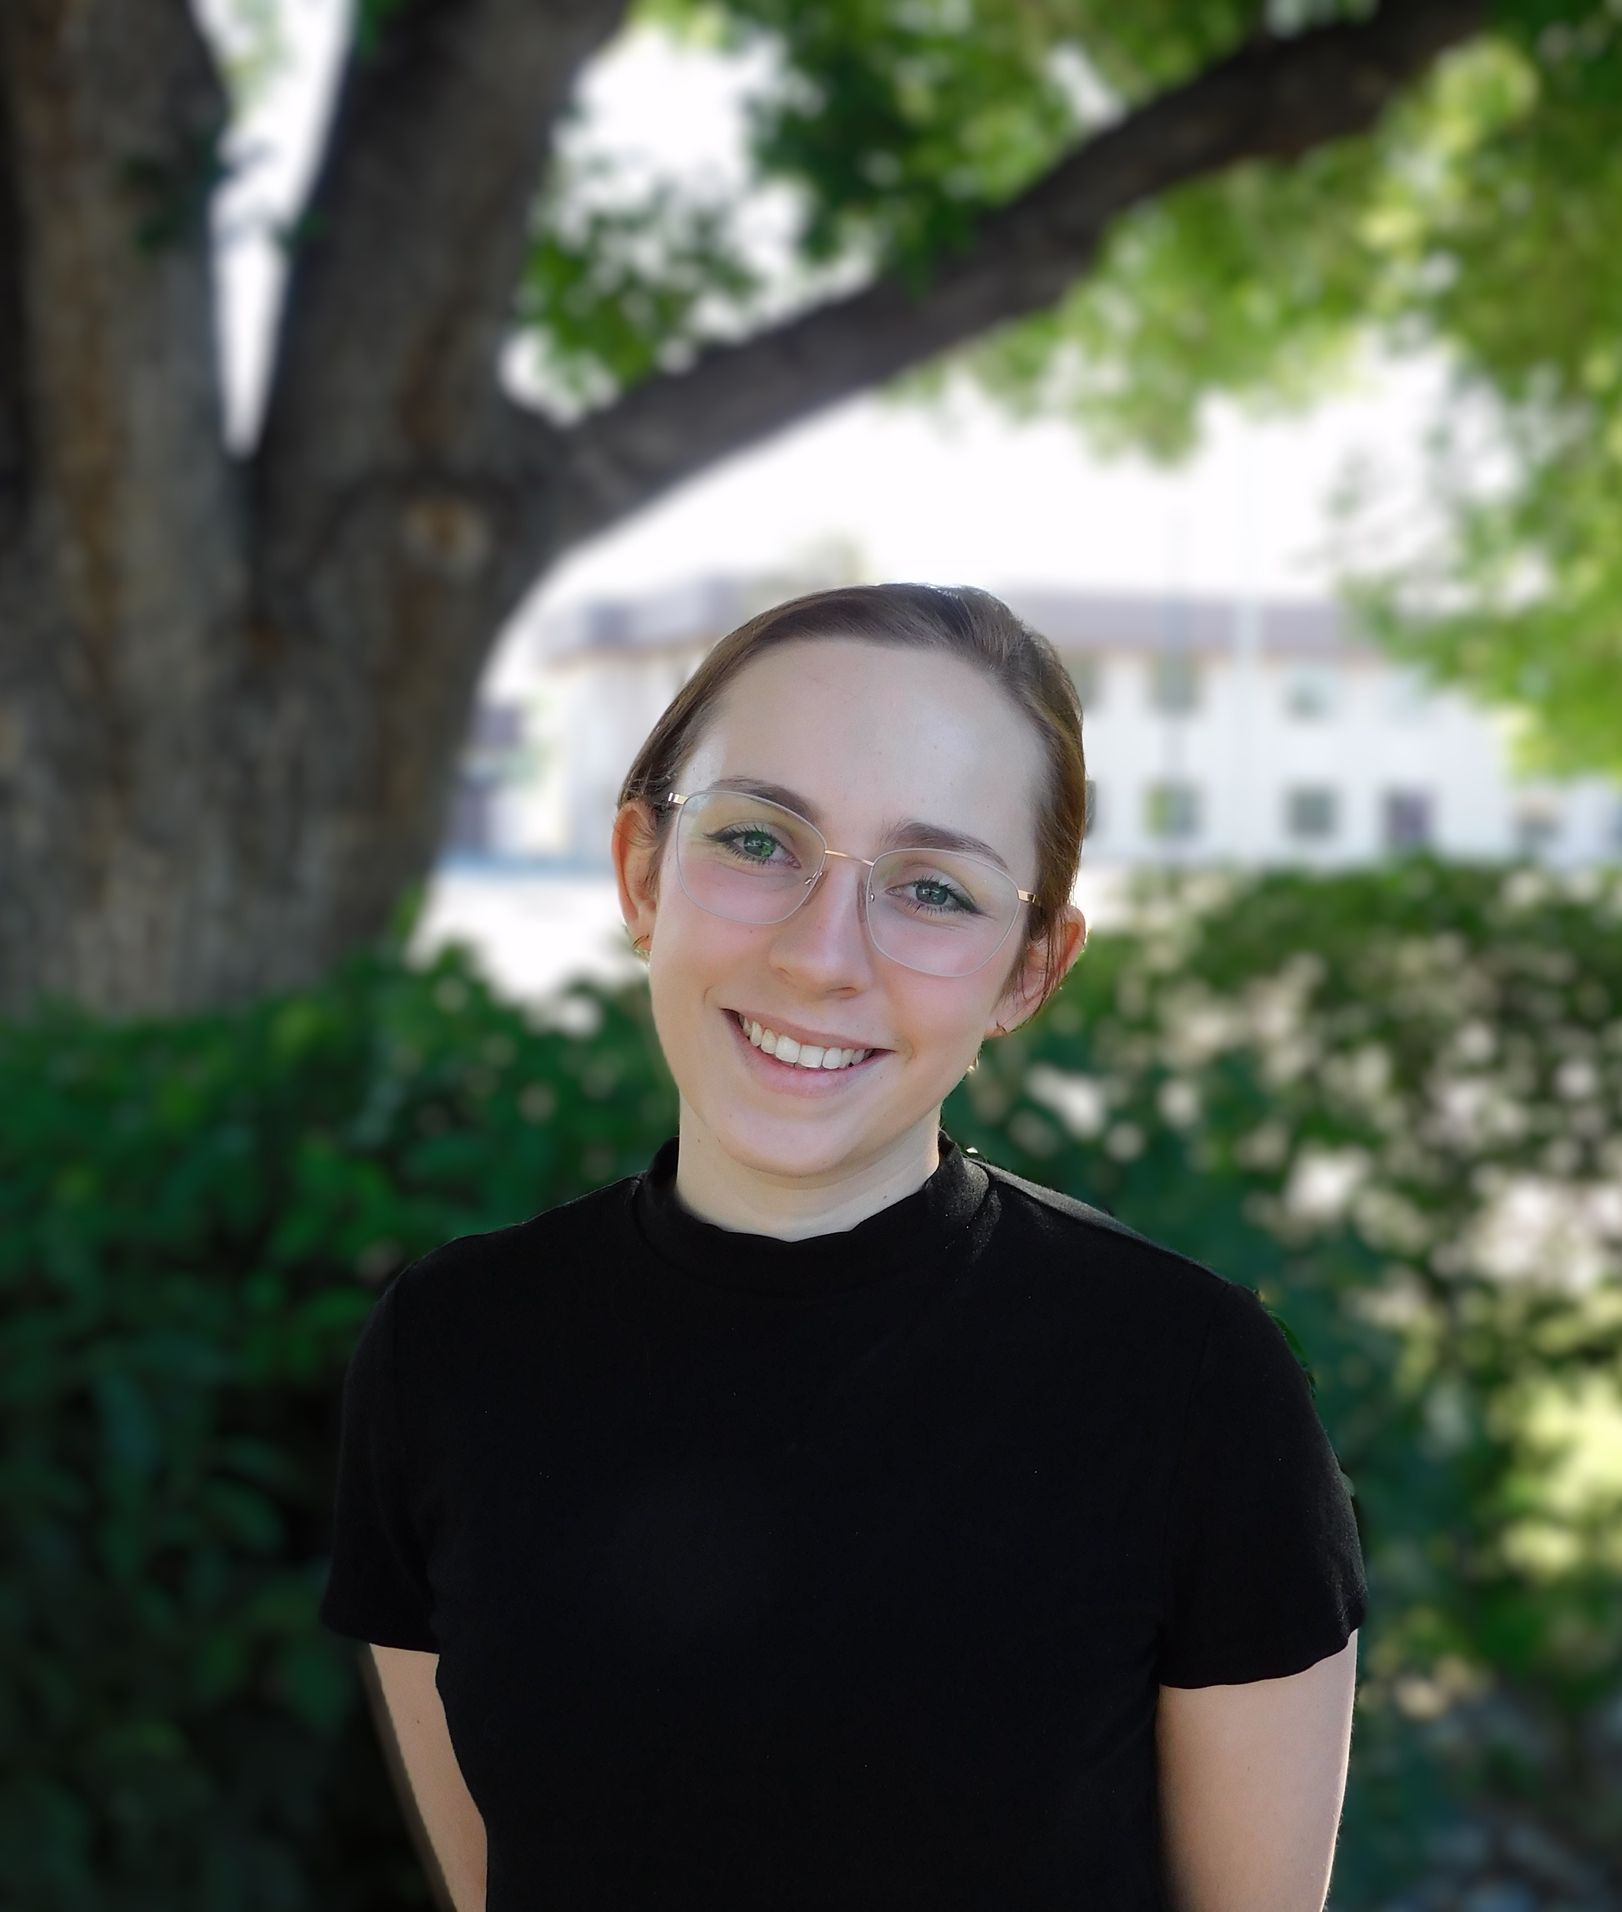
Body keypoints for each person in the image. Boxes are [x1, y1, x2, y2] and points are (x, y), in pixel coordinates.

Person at [319, 583, 1367, 1911]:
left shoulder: (1192, 1384)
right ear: (643, 870)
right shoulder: (450, 1348)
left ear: (1027, 972)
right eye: (758, 842)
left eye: (931, 888)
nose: (823, 956)